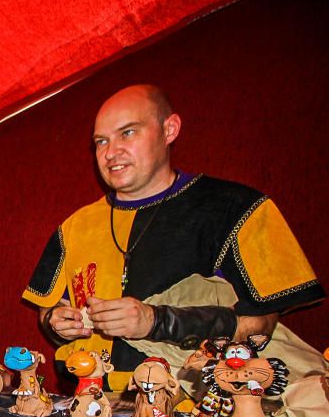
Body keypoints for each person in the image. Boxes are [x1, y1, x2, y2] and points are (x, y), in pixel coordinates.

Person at [23, 84, 324, 390]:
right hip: (90, 398)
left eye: (128, 133)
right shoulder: (73, 228)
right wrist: (58, 323)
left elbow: (262, 325)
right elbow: (48, 312)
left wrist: (156, 322)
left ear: (169, 130)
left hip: (196, 404)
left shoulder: (237, 208)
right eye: (101, 141)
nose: (111, 153)